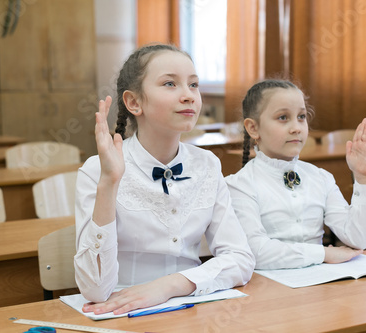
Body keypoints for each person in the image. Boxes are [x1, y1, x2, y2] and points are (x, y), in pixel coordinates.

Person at [74, 43, 255, 315]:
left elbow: (240, 259)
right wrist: (109, 183)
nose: (189, 96)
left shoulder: (207, 164)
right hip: (121, 311)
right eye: (170, 84)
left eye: (193, 85)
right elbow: (96, 290)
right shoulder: (96, 171)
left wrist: (170, 285)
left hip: (192, 305)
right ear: (134, 102)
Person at [225, 79, 366, 270]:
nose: (296, 127)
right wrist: (324, 254)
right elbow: (256, 251)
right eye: (283, 117)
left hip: (319, 283)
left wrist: (363, 178)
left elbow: (359, 238)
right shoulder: (239, 185)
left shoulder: (321, 177)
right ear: (253, 128)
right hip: (267, 287)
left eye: (301, 116)